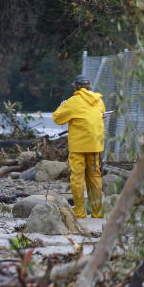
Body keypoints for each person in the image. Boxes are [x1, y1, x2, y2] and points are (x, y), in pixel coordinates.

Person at [52, 75, 106, 219]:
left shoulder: (73, 102)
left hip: (78, 147)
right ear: (90, 87)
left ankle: (80, 213)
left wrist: (62, 106)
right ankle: (98, 213)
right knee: (95, 177)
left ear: (76, 87)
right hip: (95, 145)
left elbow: (57, 118)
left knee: (77, 178)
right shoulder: (99, 101)